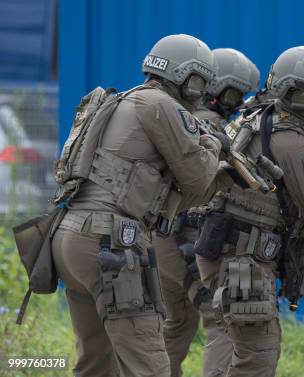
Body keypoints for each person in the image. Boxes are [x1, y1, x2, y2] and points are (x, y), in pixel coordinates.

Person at [51, 34, 223, 377]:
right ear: (186, 76)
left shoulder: (125, 101)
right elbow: (198, 178)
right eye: (200, 81)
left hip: (70, 237)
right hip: (112, 245)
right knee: (150, 366)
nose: (202, 91)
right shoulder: (160, 105)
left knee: (96, 363)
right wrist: (213, 142)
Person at [195, 45, 304, 377]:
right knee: (258, 355)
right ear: (301, 95)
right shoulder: (292, 142)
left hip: (230, 251)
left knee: (240, 347)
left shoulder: (257, 117)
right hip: (243, 261)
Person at [153, 48, 259, 377]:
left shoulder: (178, 116)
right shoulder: (211, 127)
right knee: (221, 321)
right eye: (236, 94)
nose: (239, 102)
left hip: (159, 240)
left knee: (177, 321)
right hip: (184, 240)